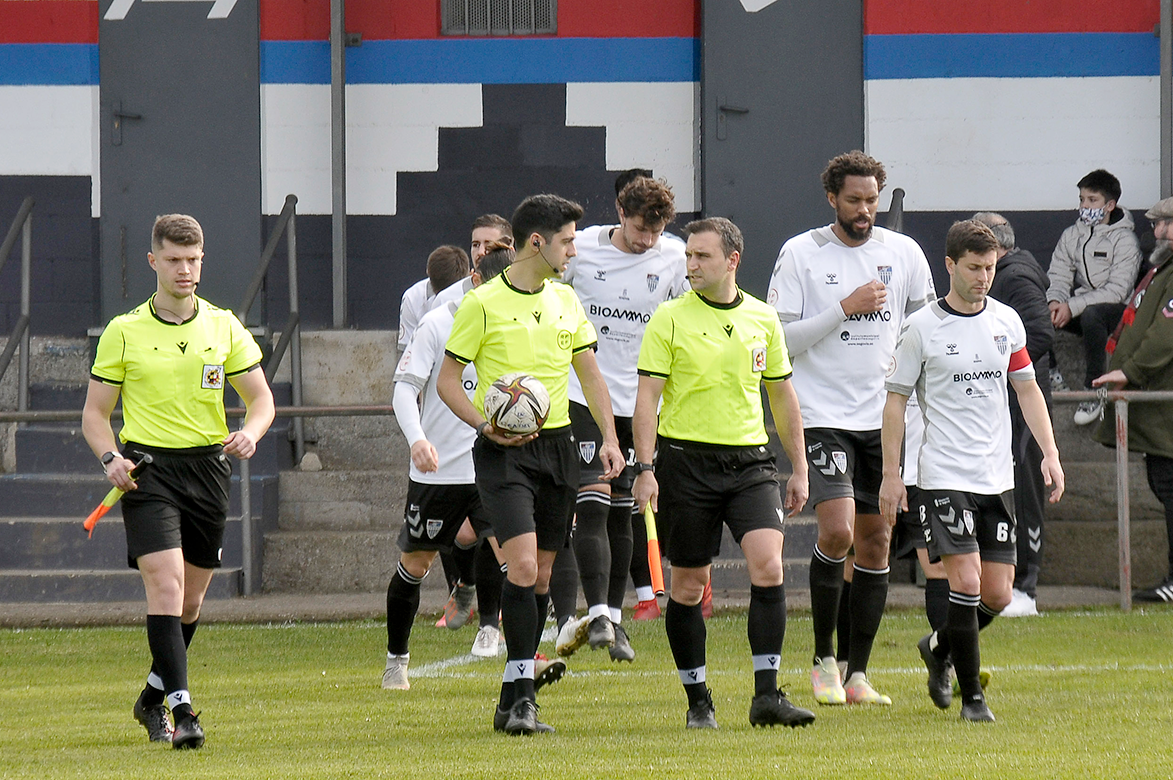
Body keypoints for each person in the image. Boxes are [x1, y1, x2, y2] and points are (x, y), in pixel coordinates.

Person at [81, 214, 275, 749]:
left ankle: (149, 696)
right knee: (164, 585)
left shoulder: (224, 325)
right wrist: (109, 460)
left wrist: (251, 434)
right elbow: (95, 415)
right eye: (173, 260)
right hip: (147, 473)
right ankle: (183, 713)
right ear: (153, 262)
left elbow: (261, 401)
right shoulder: (124, 331)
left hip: (208, 471)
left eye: (193, 260)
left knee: (188, 604)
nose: (185, 269)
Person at [437, 194, 623, 735]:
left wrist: (609, 438)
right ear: (536, 242)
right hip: (503, 453)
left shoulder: (567, 300)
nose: (573, 250)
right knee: (520, 568)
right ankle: (525, 702)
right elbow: (449, 379)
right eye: (566, 240)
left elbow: (589, 374)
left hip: (560, 448)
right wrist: (482, 423)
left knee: (540, 575)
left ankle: (510, 695)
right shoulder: (483, 303)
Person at [633, 216, 815, 730]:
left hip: (751, 463)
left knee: (769, 567)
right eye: (688, 255)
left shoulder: (763, 318)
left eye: (702, 256)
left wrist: (798, 466)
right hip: (685, 464)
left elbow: (782, 395)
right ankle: (698, 701)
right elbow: (646, 400)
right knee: (689, 587)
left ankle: (767, 697)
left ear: (732, 260)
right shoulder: (668, 318)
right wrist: (645, 468)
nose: (691, 264)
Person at [766, 150, 934, 706]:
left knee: (877, 541)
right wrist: (845, 306)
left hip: (884, 418)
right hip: (821, 416)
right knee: (835, 531)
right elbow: (781, 341)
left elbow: (924, 329)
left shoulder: (904, 252)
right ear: (832, 198)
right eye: (855, 200)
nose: (865, 210)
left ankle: (858, 674)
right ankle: (822, 661)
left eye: (873, 199)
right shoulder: (802, 253)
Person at [880, 219, 1064, 722]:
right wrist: (893, 474)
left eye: (989, 268)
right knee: (964, 581)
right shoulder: (921, 328)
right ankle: (972, 698)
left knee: (998, 594)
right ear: (950, 266)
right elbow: (895, 402)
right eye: (974, 268)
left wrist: (1049, 452)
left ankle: (939, 646)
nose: (983, 277)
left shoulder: (1006, 321)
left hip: (996, 477)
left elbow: (1026, 388)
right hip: (942, 475)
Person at [383, 243, 568, 687]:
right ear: (479, 281)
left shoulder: (526, 320)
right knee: (416, 564)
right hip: (440, 471)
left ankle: (525, 658)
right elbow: (404, 389)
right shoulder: (439, 322)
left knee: (520, 566)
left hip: (496, 467)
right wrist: (418, 440)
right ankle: (396, 660)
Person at [551, 173, 687, 663]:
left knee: (623, 511)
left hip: (641, 402)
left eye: (654, 232)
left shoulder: (673, 256)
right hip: (583, 395)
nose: (646, 241)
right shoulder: (582, 249)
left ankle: (613, 617)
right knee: (591, 501)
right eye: (637, 230)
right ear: (619, 213)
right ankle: (599, 614)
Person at [973, 212, 1055, 617]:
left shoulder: (1016, 277)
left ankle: (1026, 587)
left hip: (1023, 400)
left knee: (1026, 486)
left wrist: (1003, 374)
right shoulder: (1008, 275)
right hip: (1005, 401)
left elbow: (1039, 333)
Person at [1093, 196, 1173, 603]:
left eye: (1166, 225)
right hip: (1157, 407)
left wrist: (1132, 371)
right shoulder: (1163, 270)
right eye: (1156, 224)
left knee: (1170, 485)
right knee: (1165, 485)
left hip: (1165, 405)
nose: (1157, 232)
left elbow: (1165, 333)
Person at [1046, 169, 1143, 425]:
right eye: (1081, 199)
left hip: (1118, 312)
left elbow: (1118, 291)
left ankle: (1094, 389)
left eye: (1092, 200)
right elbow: (1058, 274)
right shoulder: (1072, 235)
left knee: (1092, 314)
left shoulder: (1125, 240)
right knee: (1037, 311)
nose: (1084, 206)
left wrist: (1072, 305)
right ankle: (1051, 374)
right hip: (1081, 308)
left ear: (1110, 205)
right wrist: (1055, 302)